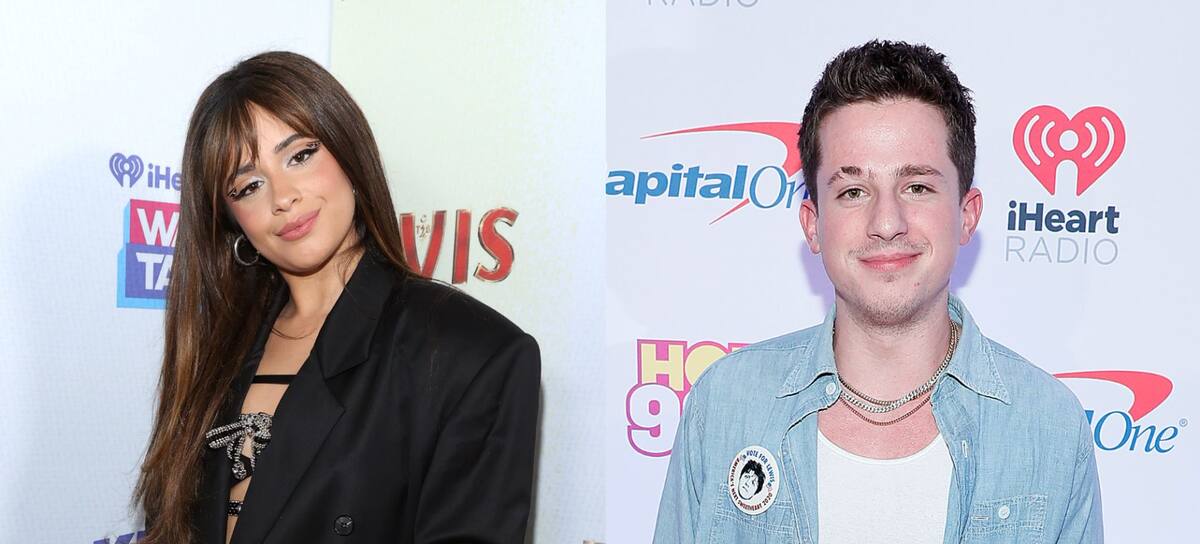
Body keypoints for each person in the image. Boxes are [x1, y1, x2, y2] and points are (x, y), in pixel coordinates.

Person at [653, 40, 1102, 543]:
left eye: (917, 187)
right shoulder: (725, 406)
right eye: (853, 191)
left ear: (967, 214)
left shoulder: (1048, 426)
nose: (887, 222)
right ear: (813, 225)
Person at [134, 51, 541, 544]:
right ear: (231, 220)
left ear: (349, 151)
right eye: (248, 185)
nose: (282, 197)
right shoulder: (215, 352)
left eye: (300, 156)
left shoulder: (471, 353)